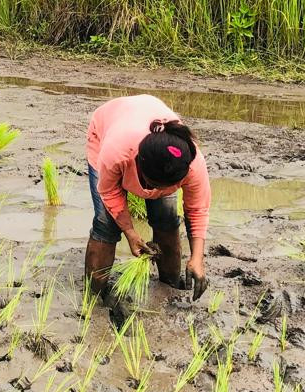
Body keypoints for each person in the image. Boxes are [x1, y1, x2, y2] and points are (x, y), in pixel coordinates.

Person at [85, 94, 211, 302]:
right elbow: (109, 192)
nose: (155, 192)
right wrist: (130, 232)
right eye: (152, 185)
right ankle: (94, 297)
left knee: (167, 219)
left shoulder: (192, 163)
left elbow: (197, 210)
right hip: (106, 129)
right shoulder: (118, 151)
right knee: (105, 223)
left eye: (167, 187)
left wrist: (197, 258)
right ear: (138, 164)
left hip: (146, 129)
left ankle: (168, 289)